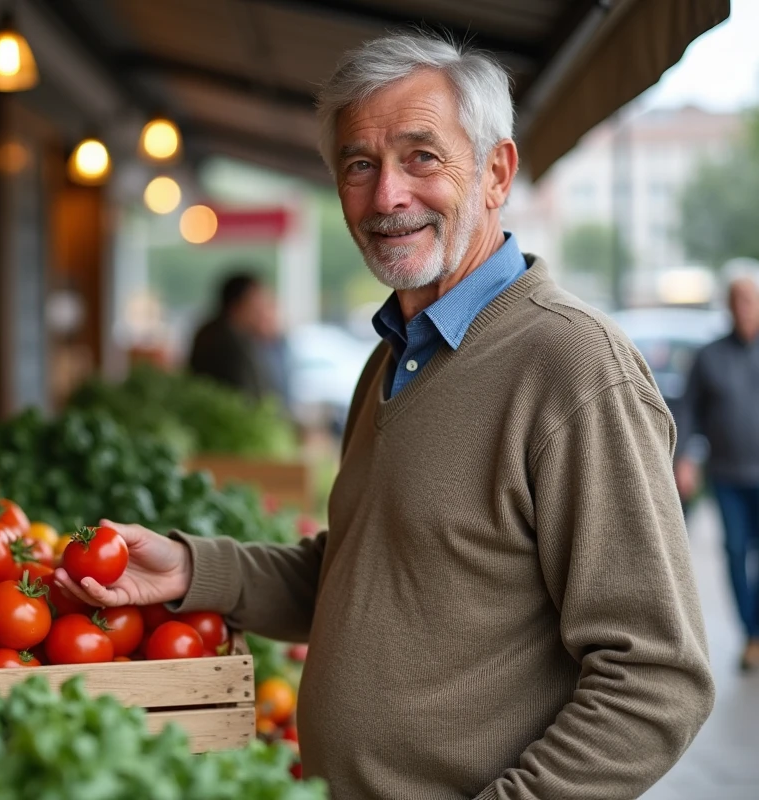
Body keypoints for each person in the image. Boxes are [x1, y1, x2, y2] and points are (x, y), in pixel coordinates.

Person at [57, 32, 713, 800]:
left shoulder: (573, 367)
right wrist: (195, 570)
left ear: (497, 172)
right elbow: (370, 571)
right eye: (359, 165)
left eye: (422, 157)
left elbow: (657, 680)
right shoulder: (397, 352)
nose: (387, 196)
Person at [676, 274, 759, 671]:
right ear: (729, 306)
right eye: (737, 301)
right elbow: (688, 412)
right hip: (726, 475)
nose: (744, 308)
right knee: (735, 550)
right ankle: (751, 633)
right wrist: (686, 459)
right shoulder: (709, 357)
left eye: (750, 300)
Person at [187, 272, 279, 402]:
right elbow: (251, 398)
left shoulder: (218, 332)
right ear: (238, 305)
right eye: (258, 305)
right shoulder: (226, 342)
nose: (263, 312)